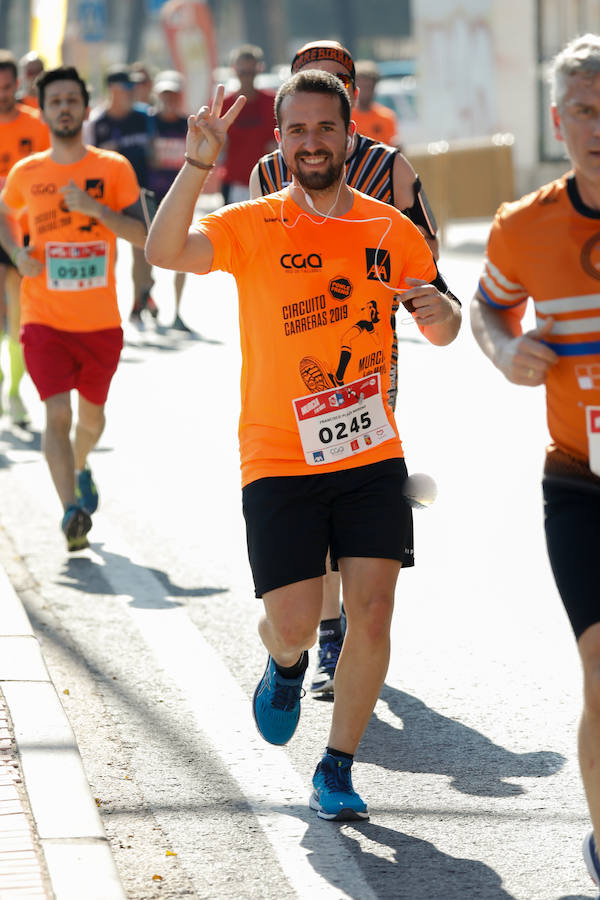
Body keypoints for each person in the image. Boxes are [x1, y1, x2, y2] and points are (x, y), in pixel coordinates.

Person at [146, 70, 461, 820]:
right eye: (297, 130)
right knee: (291, 624)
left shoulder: (389, 228)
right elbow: (162, 252)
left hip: (370, 451)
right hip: (279, 455)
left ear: (349, 137)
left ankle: (337, 766)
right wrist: (198, 163)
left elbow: (443, 327)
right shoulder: (253, 224)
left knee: (372, 613)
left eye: (326, 128)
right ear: (280, 141)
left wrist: (439, 307)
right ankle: (284, 664)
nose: (312, 142)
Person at [249, 39, 441, 697]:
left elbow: (426, 258)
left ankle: (337, 641)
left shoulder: (392, 168)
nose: (315, 130)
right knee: (313, 508)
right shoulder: (269, 173)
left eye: (334, 91)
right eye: (307, 92)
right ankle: (320, 639)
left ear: (350, 104)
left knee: (351, 498)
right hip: (297, 365)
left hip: (367, 361)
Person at [469, 33, 600, 889]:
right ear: (559, 121)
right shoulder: (524, 228)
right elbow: (487, 312)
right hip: (581, 487)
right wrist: (504, 351)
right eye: (585, 109)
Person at [0, 65, 146, 550]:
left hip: (100, 322)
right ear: (42, 112)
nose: (64, 107)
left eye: (71, 100)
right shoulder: (27, 173)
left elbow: (146, 237)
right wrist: (17, 253)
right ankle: (71, 512)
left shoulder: (114, 168)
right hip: (43, 317)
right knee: (56, 415)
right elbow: (4, 213)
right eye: (54, 101)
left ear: (85, 108)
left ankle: (81, 466)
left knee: (91, 421)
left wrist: (97, 210)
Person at [85, 64, 157, 326]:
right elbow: (87, 159)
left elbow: (155, 154)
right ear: (114, 89)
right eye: (127, 87)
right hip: (107, 197)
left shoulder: (145, 116)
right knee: (109, 252)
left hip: (140, 193)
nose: (132, 91)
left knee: (144, 250)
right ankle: (106, 302)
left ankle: (140, 299)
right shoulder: (97, 121)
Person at [0, 50, 49, 426]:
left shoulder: (37, 124)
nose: (2, 94)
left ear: (17, 84)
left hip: (24, 232)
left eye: (6, 86)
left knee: (19, 319)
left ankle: (14, 392)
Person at [147, 70, 190, 331]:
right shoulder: (147, 122)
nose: (169, 100)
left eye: (173, 95)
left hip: (181, 196)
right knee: (148, 253)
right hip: (153, 196)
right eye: (165, 95)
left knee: (182, 251)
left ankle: (177, 310)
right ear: (157, 96)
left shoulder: (188, 123)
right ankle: (148, 301)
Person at [219, 45, 276, 204]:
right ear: (234, 70)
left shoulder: (272, 102)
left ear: (259, 69)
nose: (246, 78)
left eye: (251, 73)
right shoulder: (223, 105)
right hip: (234, 181)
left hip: (267, 178)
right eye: (243, 72)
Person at [353, 59, 400, 147]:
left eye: (368, 87)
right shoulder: (346, 116)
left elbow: (392, 145)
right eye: (361, 87)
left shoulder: (386, 116)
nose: (365, 92)